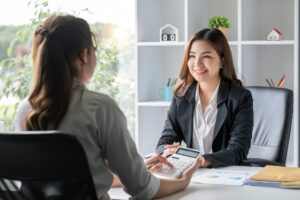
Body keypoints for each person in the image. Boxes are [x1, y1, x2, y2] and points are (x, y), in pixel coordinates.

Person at [14, 14, 200, 200]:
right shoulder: (99, 107)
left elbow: (67, 179)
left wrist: (138, 167)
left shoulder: (25, 109)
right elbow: (141, 188)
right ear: (84, 55)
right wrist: (182, 181)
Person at [156, 28, 253, 168]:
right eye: (192, 56)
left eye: (206, 56)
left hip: (225, 173)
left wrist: (202, 161)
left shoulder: (240, 98)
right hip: (191, 173)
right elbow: (164, 141)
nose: (197, 63)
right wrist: (168, 150)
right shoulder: (181, 96)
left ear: (222, 61)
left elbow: (238, 150)